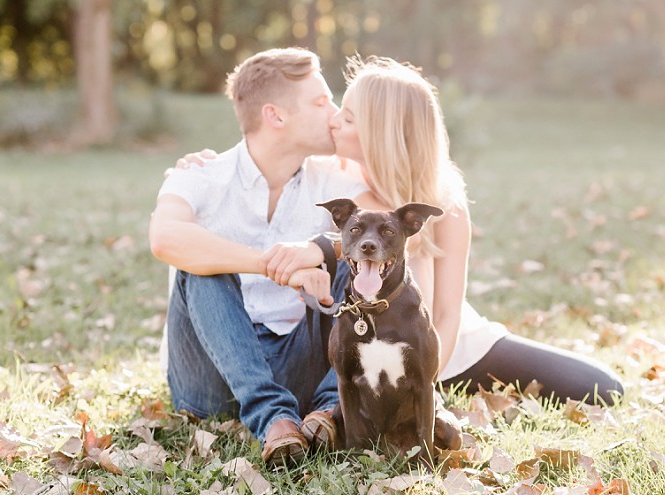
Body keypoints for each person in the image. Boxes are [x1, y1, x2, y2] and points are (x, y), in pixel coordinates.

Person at [178, 57, 625, 415]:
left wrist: (428, 378)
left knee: (602, 387)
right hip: (382, 353)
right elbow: (268, 165)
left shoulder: (444, 198)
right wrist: (204, 164)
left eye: (347, 118)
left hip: (450, 347)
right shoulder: (339, 186)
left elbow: (447, 312)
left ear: (378, 131)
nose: (334, 121)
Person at [149, 48, 377, 467]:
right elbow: (165, 237)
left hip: (302, 363)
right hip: (210, 378)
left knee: (363, 253)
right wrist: (276, 266)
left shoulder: (335, 181)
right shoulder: (201, 175)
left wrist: (318, 251)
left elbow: (385, 233)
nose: (333, 112)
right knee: (201, 262)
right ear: (275, 116)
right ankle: (272, 418)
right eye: (320, 101)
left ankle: (328, 410)